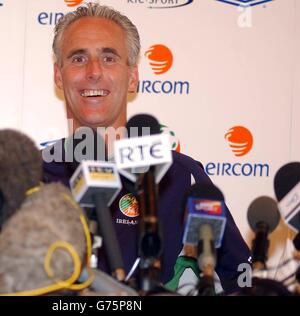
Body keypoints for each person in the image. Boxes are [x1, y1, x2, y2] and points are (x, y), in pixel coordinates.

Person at [42, 3, 250, 294]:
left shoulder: (180, 176)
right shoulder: (33, 176)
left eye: (109, 57)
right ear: (58, 76)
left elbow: (238, 278)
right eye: (78, 58)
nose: (93, 72)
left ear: (132, 77)